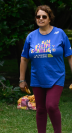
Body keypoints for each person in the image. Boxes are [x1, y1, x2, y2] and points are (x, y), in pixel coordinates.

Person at [19, 5, 72, 133]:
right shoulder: (31, 36)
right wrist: (22, 79)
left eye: (44, 16)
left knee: (51, 106)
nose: (41, 19)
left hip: (56, 76)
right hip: (37, 77)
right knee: (41, 109)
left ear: (49, 19)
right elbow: (24, 59)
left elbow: (70, 57)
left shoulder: (60, 34)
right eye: (38, 16)